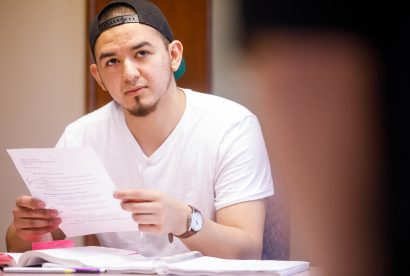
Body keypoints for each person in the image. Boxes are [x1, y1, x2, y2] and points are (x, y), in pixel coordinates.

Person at [6, 0, 273, 259]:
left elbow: (247, 250)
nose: (129, 73)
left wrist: (184, 220)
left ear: (174, 56)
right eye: (111, 61)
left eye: (142, 53)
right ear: (98, 76)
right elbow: (31, 249)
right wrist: (27, 230)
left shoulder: (231, 125)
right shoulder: (80, 137)